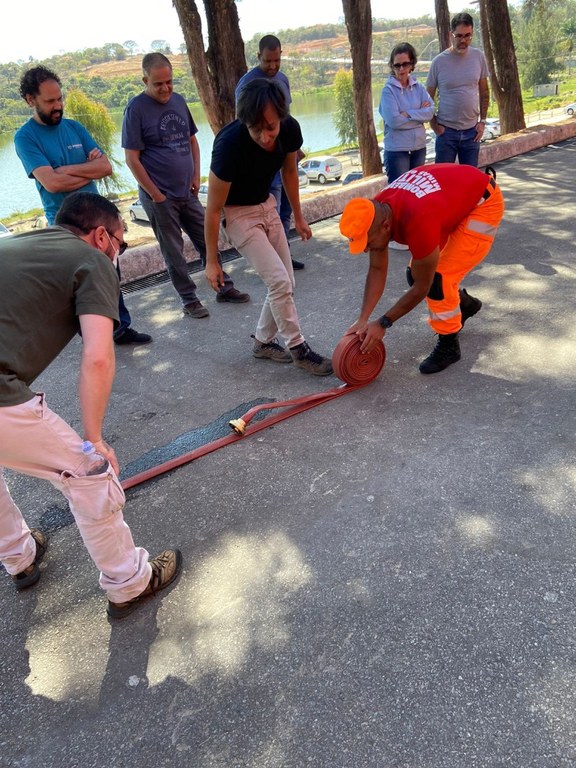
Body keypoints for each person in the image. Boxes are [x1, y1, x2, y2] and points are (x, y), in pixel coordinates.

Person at [0, 192, 182, 619]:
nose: (119, 250)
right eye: (121, 241)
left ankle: (18, 556)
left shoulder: (19, 245)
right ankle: (129, 583)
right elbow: (99, 356)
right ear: (102, 236)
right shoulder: (93, 260)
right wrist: (95, 440)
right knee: (88, 474)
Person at [14, 66, 151, 346]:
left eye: (59, 99)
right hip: (66, 224)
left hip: (98, 218)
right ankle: (91, 336)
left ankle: (120, 328)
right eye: (50, 101)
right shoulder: (25, 138)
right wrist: (86, 168)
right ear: (31, 100)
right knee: (78, 283)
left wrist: (65, 169)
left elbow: (106, 167)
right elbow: (51, 183)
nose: (58, 106)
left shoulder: (75, 127)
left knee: (110, 274)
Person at [205, 79, 332, 376]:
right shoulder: (228, 146)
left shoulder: (289, 129)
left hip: (267, 205)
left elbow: (289, 170)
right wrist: (212, 262)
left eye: (270, 127)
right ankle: (299, 348)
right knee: (279, 282)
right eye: (255, 129)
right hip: (237, 215)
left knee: (287, 281)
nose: (264, 136)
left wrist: (298, 217)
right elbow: (212, 210)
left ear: (282, 117)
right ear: (244, 122)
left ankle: (262, 342)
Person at [339, 164, 504, 374]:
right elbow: (377, 269)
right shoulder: (376, 212)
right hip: (451, 201)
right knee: (416, 273)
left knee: (436, 279)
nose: (366, 250)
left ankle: (449, 346)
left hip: (482, 205)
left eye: (367, 243)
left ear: (386, 227)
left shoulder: (417, 219)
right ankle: (465, 305)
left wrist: (383, 323)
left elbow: (423, 287)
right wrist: (363, 319)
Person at [122, 53, 249, 319]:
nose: (166, 88)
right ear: (145, 80)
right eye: (158, 84)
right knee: (174, 251)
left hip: (186, 191)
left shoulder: (178, 101)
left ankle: (222, 287)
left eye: (169, 82)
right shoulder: (136, 109)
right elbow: (132, 159)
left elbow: (192, 141)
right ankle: (189, 299)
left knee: (207, 239)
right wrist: (155, 195)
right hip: (160, 197)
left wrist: (196, 176)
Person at [235, 34, 305, 271]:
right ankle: (271, 263)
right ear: (258, 57)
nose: (273, 66)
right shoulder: (247, 85)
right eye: (268, 61)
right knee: (270, 211)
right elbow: (246, 126)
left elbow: (285, 120)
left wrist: (295, 150)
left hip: (282, 155)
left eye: (277, 60)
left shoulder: (282, 80)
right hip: (264, 160)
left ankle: (283, 254)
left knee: (284, 210)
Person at [379, 42, 434, 250]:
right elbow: (393, 121)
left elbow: (430, 112)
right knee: (397, 193)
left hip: (418, 147)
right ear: (392, 67)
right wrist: (418, 115)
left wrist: (408, 114)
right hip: (397, 150)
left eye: (405, 64)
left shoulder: (418, 88)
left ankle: (411, 231)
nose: (401, 69)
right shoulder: (388, 91)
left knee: (415, 193)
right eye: (397, 65)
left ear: (412, 64)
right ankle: (393, 235)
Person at [426, 12, 490, 167]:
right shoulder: (438, 62)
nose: (463, 40)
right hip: (446, 133)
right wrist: (434, 125)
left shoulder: (478, 57)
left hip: (471, 133)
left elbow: (484, 92)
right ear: (450, 35)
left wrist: (482, 121)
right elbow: (427, 98)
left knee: (469, 183)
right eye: (459, 36)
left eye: (468, 36)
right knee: (443, 180)